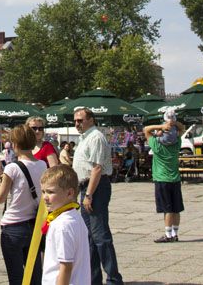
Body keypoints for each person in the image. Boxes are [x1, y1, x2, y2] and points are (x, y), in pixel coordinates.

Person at [71, 108, 123, 285]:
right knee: (89, 237)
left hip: (96, 188)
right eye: (75, 120)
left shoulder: (96, 137)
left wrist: (89, 194)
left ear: (91, 120)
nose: (77, 123)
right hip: (86, 187)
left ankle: (114, 279)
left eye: (80, 120)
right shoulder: (84, 137)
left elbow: (97, 169)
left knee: (100, 236)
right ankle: (93, 279)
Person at [0, 124, 46, 285]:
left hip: (13, 226)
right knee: (35, 273)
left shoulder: (12, 168)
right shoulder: (42, 165)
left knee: (16, 276)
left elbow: (0, 197)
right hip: (33, 226)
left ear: (15, 144)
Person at [40, 165, 89, 285]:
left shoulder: (63, 225)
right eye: (43, 191)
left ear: (69, 193)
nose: (45, 197)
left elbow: (66, 266)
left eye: (50, 192)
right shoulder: (74, 217)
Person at [143, 117, 184, 243]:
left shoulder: (157, 146)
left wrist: (161, 127)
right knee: (176, 208)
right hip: (175, 179)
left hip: (162, 180)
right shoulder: (176, 144)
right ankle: (175, 234)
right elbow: (182, 128)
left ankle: (168, 234)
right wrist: (172, 124)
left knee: (167, 209)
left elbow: (146, 130)